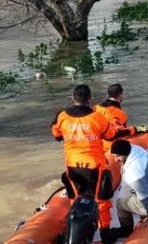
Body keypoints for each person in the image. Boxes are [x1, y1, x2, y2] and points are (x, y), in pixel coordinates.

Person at [50, 83, 119, 233]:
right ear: (89, 99)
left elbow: (56, 135)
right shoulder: (97, 117)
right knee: (100, 199)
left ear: (72, 98)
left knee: (75, 198)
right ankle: (105, 232)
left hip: (72, 166)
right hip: (94, 166)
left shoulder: (62, 116)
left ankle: (74, 230)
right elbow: (111, 135)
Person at [95, 83, 147, 151]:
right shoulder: (118, 113)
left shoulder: (97, 108)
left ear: (108, 95)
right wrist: (137, 129)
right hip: (111, 147)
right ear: (121, 95)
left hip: (98, 144)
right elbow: (120, 132)